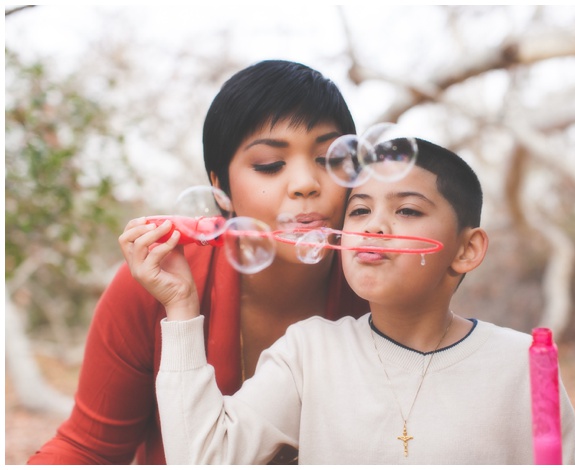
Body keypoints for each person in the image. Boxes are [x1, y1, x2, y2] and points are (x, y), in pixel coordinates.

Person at [126, 138, 575, 464]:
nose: (373, 226)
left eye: (407, 210)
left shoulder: (521, 364)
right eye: (360, 210)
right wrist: (182, 306)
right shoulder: (309, 352)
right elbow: (202, 459)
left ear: (467, 249)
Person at [27, 60, 369, 465]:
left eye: (329, 160)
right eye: (270, 165)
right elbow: (87, 449)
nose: (305, 184)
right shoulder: (157, 283)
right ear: (219, 186)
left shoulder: (381, 289)